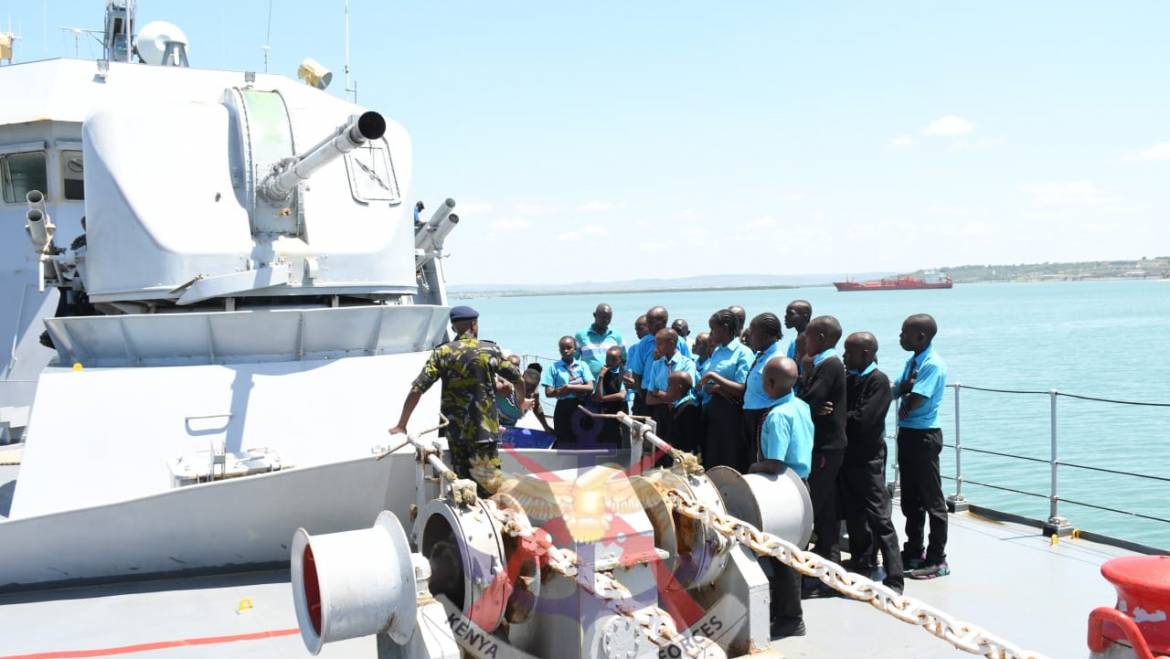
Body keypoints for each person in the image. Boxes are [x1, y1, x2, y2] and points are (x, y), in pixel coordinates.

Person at [389, 306, 524, 496]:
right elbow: (518, 378)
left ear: (453, 328)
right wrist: (520, 404)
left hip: (456, 433)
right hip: (484, 432)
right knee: (490, 485)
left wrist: (402, 424)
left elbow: (417, 389)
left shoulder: (442, 353)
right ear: (474, 324)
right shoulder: (489, 350)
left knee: (462, 484)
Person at [747, 355, 812, 639]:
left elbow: (774, 462)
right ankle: (782, 612)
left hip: (782, 489)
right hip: (802, 486)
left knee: (782, 556)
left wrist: (753, 468)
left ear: (770, 383)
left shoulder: (777, 416)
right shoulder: (801, 406)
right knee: (791, 553)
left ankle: (790, 618)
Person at [841, 332, 903, 593]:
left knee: (879, 516)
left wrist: (838, 416)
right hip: (849, 457)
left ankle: (894, 576)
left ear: (866, 354)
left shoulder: (878, 382)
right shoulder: (850, 379)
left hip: (869, 459)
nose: (844, 357)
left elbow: (864, 420)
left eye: (849, 353)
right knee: (854, 512)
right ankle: (862, 560)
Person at [893, 314, 950, 579]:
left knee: (932, 500)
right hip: (908, 434)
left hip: (925, 435)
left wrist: (905, 393)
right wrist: (899, 389)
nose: (901, 337)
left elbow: (916, 399)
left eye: (905, 333)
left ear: (921, 336)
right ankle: (914, 550)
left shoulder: (932, 365)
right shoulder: (912, 361)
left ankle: (937, 559)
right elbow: (898, 387)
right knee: (911, 499)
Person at [797, 316, 848, 568]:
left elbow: (811, 400)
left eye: (808, 336)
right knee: (826, 502)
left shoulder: (829, 365)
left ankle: (804, 556)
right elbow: (811, 400)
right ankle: (829, 552)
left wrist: (807, 402)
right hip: (824, 444)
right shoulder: (819, 364)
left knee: (813, 500)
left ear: (820, 338)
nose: (804, 340)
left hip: (827, 445)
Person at [697, 309, 753, 471]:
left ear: (725, 328)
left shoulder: (743, 352)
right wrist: (711, 388)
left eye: (714, 329)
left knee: (730, 459)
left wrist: (715, 379)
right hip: (714, 410)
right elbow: (710, 383)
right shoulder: (717, 351)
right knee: (712, 459)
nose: (711, 333)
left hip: (732, 413)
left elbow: (743, 388)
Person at [644, 328, 700, 454]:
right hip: (662, 414)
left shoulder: (688, 364)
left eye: (659, 343)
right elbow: (649, 398)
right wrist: (668, 397)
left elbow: (685, 389)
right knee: (661, 452)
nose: (656, 347)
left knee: (682, 451)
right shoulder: (656, 365)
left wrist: (659, 393)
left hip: (682, 412)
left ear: (672, 343)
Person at [629, 307, 690, 415]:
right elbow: (637, 373)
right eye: (647, 322)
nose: (648, 326)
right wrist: (643, 396)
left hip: (674, 396)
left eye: (651, 322)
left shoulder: (679, 342)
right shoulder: (644, 343)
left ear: (663, 322)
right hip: (649, 394)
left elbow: (687, 368)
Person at [741, 313, 784, 464]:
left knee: (760, 460)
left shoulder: (775, 360)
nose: (749, 336)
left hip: (763, 416)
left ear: (765, 335)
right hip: (750, 415)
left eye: (753, 333)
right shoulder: (760, 356)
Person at [542, 336, 596, 447]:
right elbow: (548, 392)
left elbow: (590, 387)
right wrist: (563, 391)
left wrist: (570, 387)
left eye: (569, 348)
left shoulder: (582, 365)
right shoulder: (554, 367)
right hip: (563, 406)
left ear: (575, 349)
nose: (565, 351)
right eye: (562, 348)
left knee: (583, 437)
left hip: (581, 406)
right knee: (563, 437)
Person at [575, 303, 623, 379]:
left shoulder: (617, 335)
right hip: (589, 383)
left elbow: (624, 359)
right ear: (594, 315)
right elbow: (574, 361)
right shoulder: (581, 335)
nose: (606, 320)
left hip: (612, 383)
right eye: (603, 317)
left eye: (609, 318)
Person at [594, 345, 629, 444]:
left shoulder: (624, 372)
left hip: (621, 409)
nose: (609, 362)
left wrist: (603, 398)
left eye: (613, 360)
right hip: (607, 410)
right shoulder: (603, 374)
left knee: (622, 436)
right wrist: (601, 377)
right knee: (607, 437)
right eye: (607, 359)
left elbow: (621, 395)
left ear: (620, 360)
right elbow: (598, 396)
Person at [624, 315, 650, 413]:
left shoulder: (658, 346)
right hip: (638, 396)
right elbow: (629, 373)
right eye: (636, 329)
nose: (637, 332)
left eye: (640, 329)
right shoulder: (633, 349)